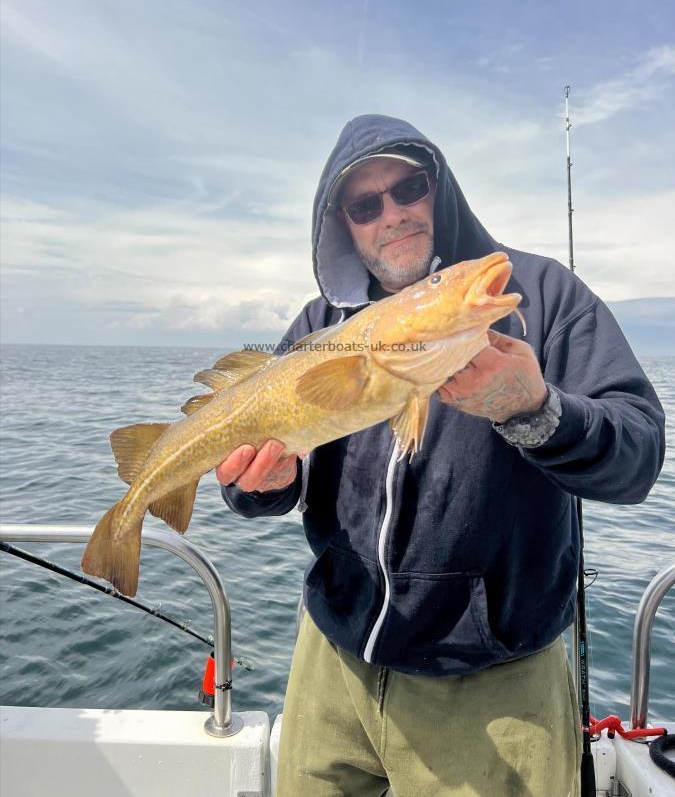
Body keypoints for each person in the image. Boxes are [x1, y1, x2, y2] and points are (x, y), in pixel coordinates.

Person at [217, 114, 665, 797]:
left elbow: (636, 456)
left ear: (440, 189)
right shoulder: (318, 325)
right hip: (333, 657)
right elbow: (275, 470)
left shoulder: (542, 296)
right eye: (365, 204)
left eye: (409, 187)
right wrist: (262, 485)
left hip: (492, 680)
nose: (391, 214)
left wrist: (536, 410)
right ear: (342, 222)